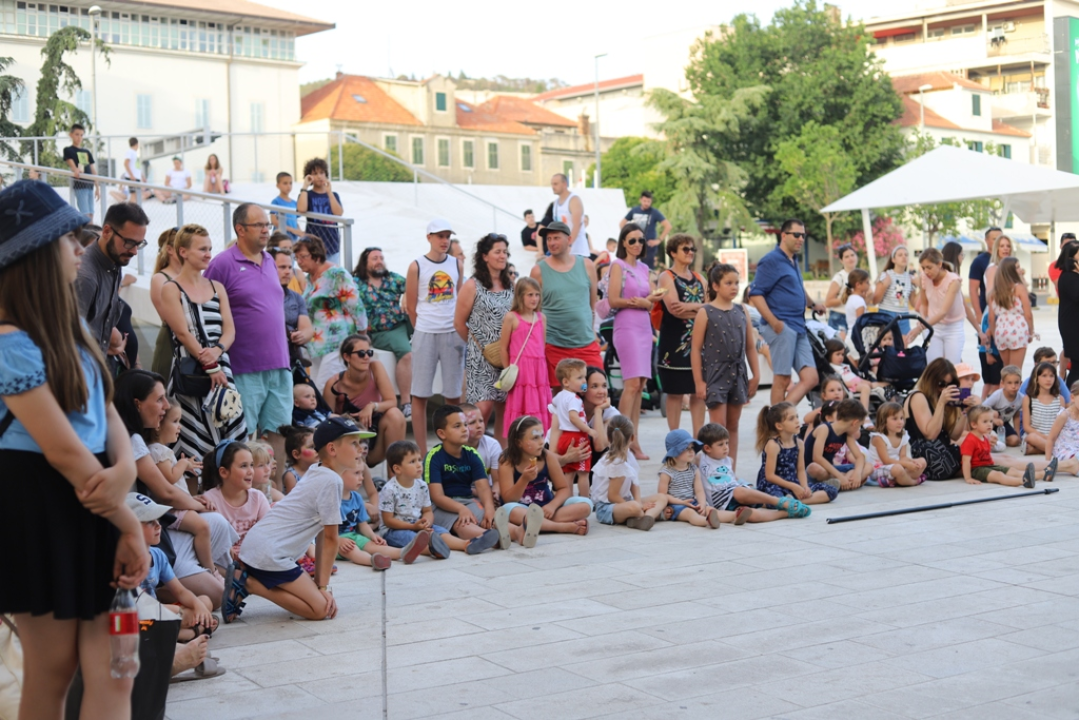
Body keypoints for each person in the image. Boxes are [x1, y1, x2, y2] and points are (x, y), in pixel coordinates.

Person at [0, 180, 147, 719]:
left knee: (116, 668)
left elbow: (106, 410)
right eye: (69, 240)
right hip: (47, 508)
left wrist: (126, 467)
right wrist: (128, 524)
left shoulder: (70, 330)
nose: (80, 249)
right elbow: (62, 451)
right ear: (36, 256)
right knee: (52, 670)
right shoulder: (9, 344)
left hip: (98, 497)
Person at [224, 417, 366, 623]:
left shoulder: (317, 470)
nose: (361, 448)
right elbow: (331, 539)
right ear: (332, 449)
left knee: (319, 602)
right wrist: (323, 589)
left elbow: (322, 536)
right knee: (320, 610)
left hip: (259, 547)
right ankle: (249, 584)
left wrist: (321, 585)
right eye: (354, 443)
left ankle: (249, 579)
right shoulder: (331, 480)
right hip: (270, 554)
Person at [114, 370, 238, 604]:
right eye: (159, 399)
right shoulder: (132, 439)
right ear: (138, 404)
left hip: (146, 520)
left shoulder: (131, 436)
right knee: (217, 598)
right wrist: (197, 505)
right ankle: (154, 593)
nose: (165, 406)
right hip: (136, 526)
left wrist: (194, 502)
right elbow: (166, 492)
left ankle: (220, 573)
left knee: (215, 523)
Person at [205, 204, 292, 474]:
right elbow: (206, 312)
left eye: (268, 225)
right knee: (241, 439)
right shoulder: (222, 263)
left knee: (279, 433)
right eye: (259, 225)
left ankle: (273, 491)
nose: (266, 230)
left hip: (280, 364)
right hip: (243, 366)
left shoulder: (270, 261)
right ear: (240, 229)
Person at [158, 224, 248, 458]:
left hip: (221, 368)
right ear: (183, 252)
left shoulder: (217, 287)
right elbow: (182, 333)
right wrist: (210, 364)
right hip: (190, 370)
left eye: (209, 248)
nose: (208, 254)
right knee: (193, 437)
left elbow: (230, 330)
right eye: (202, 249)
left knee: (232, 428)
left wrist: (217, 352)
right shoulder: (171, 288)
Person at [406, 219, 467, 453]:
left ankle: (452, 449)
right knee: (420, 394)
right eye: (440, 236)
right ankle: (422, 453)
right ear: (429, 237)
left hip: (452, 333)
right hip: (425, 333)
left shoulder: (457, 264)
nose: (444, 241)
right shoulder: (416, 266)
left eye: (447, 236)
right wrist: (423, 328)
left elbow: (459, 300)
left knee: (453, 395)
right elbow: (411, 306)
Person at [749, 219, 826, 406]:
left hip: (798, 326)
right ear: (783, 236)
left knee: (811, 378)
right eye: (796, 235)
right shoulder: (771, 260)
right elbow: (756, 294)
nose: (801, 239)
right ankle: (777, 422)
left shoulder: (793, 259)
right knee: (782, 379)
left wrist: (813, 304)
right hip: (782, 327)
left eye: (803, 235)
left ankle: (782, 415)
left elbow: (797, 287)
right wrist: (775, 323)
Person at [691, 262, 759, 470]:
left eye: (736, 283)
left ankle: (731, 472)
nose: (734, 287)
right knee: (718, 428)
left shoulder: (742, 310)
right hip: (715, 374)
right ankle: (715, 472)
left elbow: (750, 346)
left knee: (733, 425)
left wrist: (756, 375)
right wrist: (699, 382)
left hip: (738, 374)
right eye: (728, 283)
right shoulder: (705, 312)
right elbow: (696, 349)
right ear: (715, 286)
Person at [607, 223, 663, 459]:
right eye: (632, 240)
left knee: (640, 385)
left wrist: (648, 302)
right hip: (626, 325)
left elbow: (649, 302)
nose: (637, 244)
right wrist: (638, 302)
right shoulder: (617, 265)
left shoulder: (644, 267)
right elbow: (612, 300)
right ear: (623, 243)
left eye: (641, 240)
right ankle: (620, 441)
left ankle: (634, 440)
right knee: (631, 385)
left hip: (643, 326)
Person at [455, 233, 514, 444]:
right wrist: (478, 346)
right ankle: (470, 455)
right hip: (481, 358)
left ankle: (500, 458)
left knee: (506, 413)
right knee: (480, 412)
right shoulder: (472, 285)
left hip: (508, 357)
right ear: (485, 256)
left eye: (505, 252)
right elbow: (459, 323)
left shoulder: (511, 284)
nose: (502, 256)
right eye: (497, 252)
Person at [530, 220, 601, 387]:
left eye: (556, 238)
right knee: (560, 394)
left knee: (594, 388)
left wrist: (591, 330)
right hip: (554, 345)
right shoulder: (538, 270)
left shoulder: (587, 265)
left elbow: (591, 305)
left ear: (569, 239)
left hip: (586, 342)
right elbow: (533, 310)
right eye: (549, 239)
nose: (551, 243)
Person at [497, 416, 590, 540]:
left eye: (541, 436)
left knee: (586, 505)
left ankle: (537, 524)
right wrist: (524, 479)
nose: (541, 442)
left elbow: (564, 489)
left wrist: (552, 506)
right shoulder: (507, 461)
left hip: (547, 508)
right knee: (510, 510)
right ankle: (562, 527)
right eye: (535, 438)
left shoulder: (548, 457)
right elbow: (509, 499)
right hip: (522, 509)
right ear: (518, 442)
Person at [424, 405, 502, 552]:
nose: (464, 429)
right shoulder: (433, 457)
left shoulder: (472, 454)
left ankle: (518, 532)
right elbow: (437, 496)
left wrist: (489, 509)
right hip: (440, 506)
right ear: (442, 433)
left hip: (467, 500)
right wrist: (461, 509)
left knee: (492, 518)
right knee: (463, 523)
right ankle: (489, 538)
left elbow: (483, 487)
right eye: (457, 426)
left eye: (465, 424)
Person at [75, 202, 150, 354]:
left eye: (139, 244)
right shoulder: (85, 277)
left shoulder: (114, 261)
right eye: (129, 242)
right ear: (107, 231)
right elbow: (68, 338)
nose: (134, 251)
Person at [324, 334, 407, 468]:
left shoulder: (375, 368)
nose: (367, 357)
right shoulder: (334, 385)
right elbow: (327, 422)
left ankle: (395, 475)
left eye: (369, 353)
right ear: (347, 357)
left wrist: (372, 406)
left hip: (374, 439)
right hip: (349, 444)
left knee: (395, 415)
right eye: (361, 353)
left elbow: (392, 401)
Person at [296, 234, 365, 389]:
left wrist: (362, 333)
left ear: (317, 255)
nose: (299, 262)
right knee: (316, 388)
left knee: (325, 387)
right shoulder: (309, 278)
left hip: (337, 341)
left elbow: (355, 305)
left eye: (303, 257)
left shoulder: (336, 274)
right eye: (297, 258)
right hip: (316, 345)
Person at [377, 440, 466, 558]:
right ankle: (432, 550)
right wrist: (413, 527)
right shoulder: (389, 489)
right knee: (412, 538)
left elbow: (427, 511)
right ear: (397, 469)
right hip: (393, 530)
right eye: (412, 461)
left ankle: (465, 544)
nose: (419, 464)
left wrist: (427, 523)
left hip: (417, 524)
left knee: (440, 531)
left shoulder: (422, 485)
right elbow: (388, 521)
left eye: (419, 460)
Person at [695, 424, 803, 521]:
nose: (726, 447)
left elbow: (733, 478)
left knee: (741, 494)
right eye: (720, 444)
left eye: (727, 443)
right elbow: (688, 456)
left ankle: (779, 503)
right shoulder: (701, 459)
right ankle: (783, 512)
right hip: (722, 502)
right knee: (748, 513)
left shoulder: (728, 460)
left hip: (736, 493)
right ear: (707, 448)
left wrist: (746, 484)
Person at [354, 246, 412, 418]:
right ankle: (406, 403)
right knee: (406, 354)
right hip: (380, 331)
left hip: (401, 323)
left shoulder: (392, 279)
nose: (379, 261)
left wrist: (407, 294)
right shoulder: (356, 283)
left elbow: (415, 285)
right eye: (374, 259)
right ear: (365, 263)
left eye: (381, 258)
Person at [657, 234, 706, 434]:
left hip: (699, 343)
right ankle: (675, 437)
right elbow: (673, 309)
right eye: (685, 249)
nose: (690, 252)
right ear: (673, 253)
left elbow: (711, 307)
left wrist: (688, 306)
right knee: (675, 393)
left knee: (698, 392)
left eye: (692, 249)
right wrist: (699, 309)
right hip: (673, 342)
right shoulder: (666, 277)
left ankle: (699, 437)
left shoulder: (700, 278)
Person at [337, 465, 427, 569]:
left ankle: (403, 552)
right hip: (333, 541)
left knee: (374, 546)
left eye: (362, 473)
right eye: (357, 473)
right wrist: (338, 540)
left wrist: (373, 536)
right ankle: (373, 561)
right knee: (352, 550)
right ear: (339, 475)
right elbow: (323, 529)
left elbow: (363, 524)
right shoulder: (331, 500)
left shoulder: (357, 498)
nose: (362, 477)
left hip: (353, 536)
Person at [589, 415, 667, 530]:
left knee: (662, 497)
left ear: (608, 438)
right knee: (634, 507)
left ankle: (646, 518)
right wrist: (639, 506)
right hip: (607, 508)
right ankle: (645, 514)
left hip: (625, 501)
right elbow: (612, 496)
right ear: (632, 438)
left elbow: (634, 483)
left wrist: (639, 502)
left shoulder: (629, 456)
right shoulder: (616, 463)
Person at [198, 441, 269, 561]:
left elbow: (268, 533)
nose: (250, 471)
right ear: (224, 472)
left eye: (251, 465)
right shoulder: (209, 500)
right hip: (223, 563)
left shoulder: (258, 497)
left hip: (255, 559)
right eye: (243, 466)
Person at [499, 277, 552, 437]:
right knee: (521, 405)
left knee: (539, 405)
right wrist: (508, 371)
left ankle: (539, 439)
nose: (534, 298)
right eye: (530, 295)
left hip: (538, 371)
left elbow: (542, 346)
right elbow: (503, 348)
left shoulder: (541, 318)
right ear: (520, 296)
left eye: (537, 294)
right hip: (520, 371)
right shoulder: (512, 317)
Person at [755, 403, 837, 505]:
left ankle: (790, 502)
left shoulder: (799, 443)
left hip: (794, 482)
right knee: (775, 499)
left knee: (832, 491)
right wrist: (793, 487)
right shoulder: (773, 445)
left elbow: (801, 470)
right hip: (774, 484)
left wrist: (804, 487)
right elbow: (770, 476)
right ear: (779, 426)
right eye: (791, 419)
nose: (797, 421)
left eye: (797, 417)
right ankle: (784, 501)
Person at [904, 358, 964, 480]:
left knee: (986, 453)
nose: (943, 389)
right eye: (941, 384)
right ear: (930, 380)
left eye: (949, 385)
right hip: (929, 460)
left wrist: (965, 412)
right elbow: (930, 435)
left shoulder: (937, 398)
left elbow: (954, 435)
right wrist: (941, 403)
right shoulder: (918, 396)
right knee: (987, 460)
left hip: (944, 454)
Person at [910, 248, 965, 363]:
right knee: (933, 365)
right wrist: (923, 320)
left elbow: (943, 312)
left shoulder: (953, 281)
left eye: (929, 267)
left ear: (939, 264)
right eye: (923, 268)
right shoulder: (924, 277)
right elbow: (924, 304)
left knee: (952, 365)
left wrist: (920, 328)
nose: (926, 271)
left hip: (953, 328)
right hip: (932, 325)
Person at [657, 429, 720, 529]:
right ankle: (707, 521)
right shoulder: (666, 472)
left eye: (692, 447)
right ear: (674, 452)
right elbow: (662, 495)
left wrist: (702, 504)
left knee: (710, 509)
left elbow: (699, 491)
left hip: (692, 502)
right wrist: (682, 502)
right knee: (690, 514)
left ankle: (735, 516)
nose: (691, 451)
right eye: (686, 448)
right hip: (675, 505)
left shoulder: (694, 469)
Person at [962, 406, 1039, 488]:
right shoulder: (970, 440)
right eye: (985, 421)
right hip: (976, 470)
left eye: (991, 421)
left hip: (988, 466)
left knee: (1011, 470)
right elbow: (965, 461)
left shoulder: (984, 437)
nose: (989, 424)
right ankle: (1024, 481)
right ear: (974, 424)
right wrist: (968, 478)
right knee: (999, 475)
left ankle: (1041, 474)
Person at [805, 398, 871, 491]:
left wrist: (857, 473)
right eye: (860, 425)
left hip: (831, 470)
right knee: (814, 468)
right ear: (855, 423)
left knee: (868, 466)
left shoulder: (847, 434)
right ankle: (843, 482)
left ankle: (842, 483)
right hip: (813, 470)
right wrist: (840, 476)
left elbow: (859, 457)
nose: (858, 429)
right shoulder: (824, 429)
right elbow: (817, 458)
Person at [987, 256, 1033, 371]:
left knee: (1006, 370)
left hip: (1001, 331)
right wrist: (1031, 332)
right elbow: (1028, 314)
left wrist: (995, 335)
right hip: (1017, 329)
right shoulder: (1019, 288)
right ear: (1010, 271)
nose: (1020, 270)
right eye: (1017, 267)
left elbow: (991, 319)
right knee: (1015, 371)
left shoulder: (993, 292)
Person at [867, 402, 927, 487]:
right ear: (883, 421)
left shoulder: (903, 435)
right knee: (898, 469)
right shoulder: (878, 438)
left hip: (897, 466)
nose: (900, 422)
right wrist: (906, 465)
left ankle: (895, 480)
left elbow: (903, 457)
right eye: (895, 419)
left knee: (922, 461)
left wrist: (912, 462)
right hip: (879, 468)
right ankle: (914, 482)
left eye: (901, 418)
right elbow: (886, 461)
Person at [297, 157, 343, 265]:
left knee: (333, 272)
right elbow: (301, 209)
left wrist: (329, 192)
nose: (319, 176)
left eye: (322, 172)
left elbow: (338, 213)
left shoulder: (334, 195)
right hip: (313, 244)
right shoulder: (307, 195)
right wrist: (305, 186)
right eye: (315, 173)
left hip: (332, 243)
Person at [149, 227, 182, 379]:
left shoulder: (196, 276)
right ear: (169, 249)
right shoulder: (160, 279)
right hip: (171, 345)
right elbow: (169, 319)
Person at [274, 245, 314, 367]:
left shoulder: (296, 298)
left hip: (290, 358)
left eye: (290, 267)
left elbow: (308, 329)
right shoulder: (259, 295)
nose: (288, 271)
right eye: (282, 267)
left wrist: (301, 336)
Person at [1022, 361, 1067, 456]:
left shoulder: (1060, 399)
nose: (1048, 379)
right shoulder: (1028, 399)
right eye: (1044, 376)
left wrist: (1053, 437)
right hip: (1037, 436)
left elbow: (1062, 425)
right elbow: (1026, 427)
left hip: (1055, 437)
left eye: (1051, 376)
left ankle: (1039, 450)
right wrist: (1045, 437)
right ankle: (1057, 450)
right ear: (1036, 378)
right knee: (1031, 437)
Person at [620, 190, 671, 269]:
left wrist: (659, 240)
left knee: (648, 268)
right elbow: (622, 223)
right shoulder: (634, 210)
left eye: (648, 201)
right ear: (640, 200)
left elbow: (668, 226)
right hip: (635, 244)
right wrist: (628, 236)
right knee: (631, 266)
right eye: (644, 201)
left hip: (649, 245)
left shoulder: (654, 212)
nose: (646, 203)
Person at [873, 245, 915, 334]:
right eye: (900, 255)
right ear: (893, 259)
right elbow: (875, 301)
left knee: (904, 342)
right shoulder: (885, 275)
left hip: (904, 315)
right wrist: (884, 285)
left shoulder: (910, 278)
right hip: (887, 314)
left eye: (906, 255)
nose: (904, 257)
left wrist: (922, 286)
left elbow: (914, 303)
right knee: (887, 341)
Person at [547, 173, 591, 257]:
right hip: (563, 252)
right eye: (552, 184)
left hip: (577, 251)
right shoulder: (555, 203)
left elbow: (577, 225)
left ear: (564, 184)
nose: (553, 187)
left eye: (555, 184)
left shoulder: (574, 200)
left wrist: (569, 244)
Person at [63, 122, 98, 219]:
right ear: (71, 135)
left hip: (90, 185)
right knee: (85, 213)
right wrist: (75, 170)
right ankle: (87, 229)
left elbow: (93, 169)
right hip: (80, 184)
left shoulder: (86, 151)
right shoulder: (68, 150)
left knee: (91, 213)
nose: (79, 137)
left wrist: (97, 187)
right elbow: (71, 164)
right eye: (77, 134)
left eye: (81, 135)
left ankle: (91, 229)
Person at [1056, 242, 1079, 388]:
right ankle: (1070, 395)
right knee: (1077, 366)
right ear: (1071, 258)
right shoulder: (1069, 277)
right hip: (1073, 327)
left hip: (1073, 325)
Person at [985, 365, 1024, 448]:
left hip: (1003, 424)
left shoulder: (1021, 398)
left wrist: (1018, 434)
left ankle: (998, 440)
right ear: (1002, 383)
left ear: (1020, 383)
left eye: (1016, 383)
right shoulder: (997, 395)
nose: (1013, 386)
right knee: (995, 413)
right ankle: (987, 437)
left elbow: (1016, 416)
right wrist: (993, 420)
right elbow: (981, 409)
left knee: (1015, 441)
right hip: (989, 422)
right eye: (1009, 383)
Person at [824, 244, 859, 334]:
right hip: (840, 317)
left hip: (855, 318)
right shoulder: (840, 277)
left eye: (852, 255)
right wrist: (847, 297)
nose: (850, 258)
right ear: (841, 260)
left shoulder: (861, 275)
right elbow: (828, 302)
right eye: (846, 257)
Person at [969, 227, 1001, 324]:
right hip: (987, 309)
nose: (998, 241)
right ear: (986, 240)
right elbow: (973, 289)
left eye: (1000, 238)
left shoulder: (1007, 260)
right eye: (994, 239)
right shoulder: (979, 261)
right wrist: (978, 314)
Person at [1046, 386, 1079, 473]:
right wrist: (1047, 462)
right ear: (1072, 398)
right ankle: (1055, 467)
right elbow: (1051, 438)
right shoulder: (1065, 415)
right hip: (1065, 450)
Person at [110, 136, 149, 203]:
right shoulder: (130, 152)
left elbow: (137, 167)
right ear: (137, 144)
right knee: (133, 195)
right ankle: (130, 208)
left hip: (136, 177)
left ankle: (131, 208)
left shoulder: (135, 153)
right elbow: (126, 163)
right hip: (132, 177)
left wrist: (142, 177)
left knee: (135, 196)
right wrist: (131, 175)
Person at [280, 425, 316, 494]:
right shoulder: (291, 475)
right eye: (312, 447)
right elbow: (293, 499)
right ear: (296, 454)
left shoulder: (317, 469)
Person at [983, 233, 1016, 297]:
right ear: (997, 249)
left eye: (1008, 246)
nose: (1005, 248)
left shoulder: (1011, 269)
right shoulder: (993, 268)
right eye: (1002, 246)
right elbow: (990, 296)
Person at [270, 171, 301, 239]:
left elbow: (295, 221)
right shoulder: (276, 202)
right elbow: (274, 221)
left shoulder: (294, 203)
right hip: (281, 237)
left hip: (294, 238)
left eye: (290, 183)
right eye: (285, 183)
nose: (288, 186)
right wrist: (292, 230)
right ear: (278, 185)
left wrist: (299, 232)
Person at [843, 268, 870, 338]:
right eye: (867, 282)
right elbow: (860, 323)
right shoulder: (859, 301)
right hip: (857, 337)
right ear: (858, 285)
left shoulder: (852, 298)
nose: (869, 284)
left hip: (851, 335)